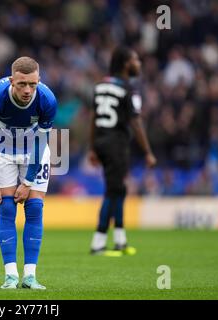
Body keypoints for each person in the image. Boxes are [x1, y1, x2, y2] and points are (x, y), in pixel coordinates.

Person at [0, 57, 57, 289]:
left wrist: (27, 181)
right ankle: (10, 275)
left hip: (35, 150)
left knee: (34, 207)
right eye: (22, 84)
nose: (27, 90)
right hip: (3, 151)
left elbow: (42, 142)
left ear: (39, 81)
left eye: (32, 84)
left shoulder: (48, 100)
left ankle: (30, 276)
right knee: (6, 207)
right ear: (12, 80)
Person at [88, 46, 157, 256]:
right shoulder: (129, 88)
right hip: (116, 143)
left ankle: (120, 239)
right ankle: (98, 243)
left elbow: (93, 118)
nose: (139, 63)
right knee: (113, 190)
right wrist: (148, 151)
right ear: (126, 64)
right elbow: (136, 122)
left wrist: (92, 147)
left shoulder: (100, 85)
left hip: (101, 141)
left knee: (119, 189)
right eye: (135, 59)